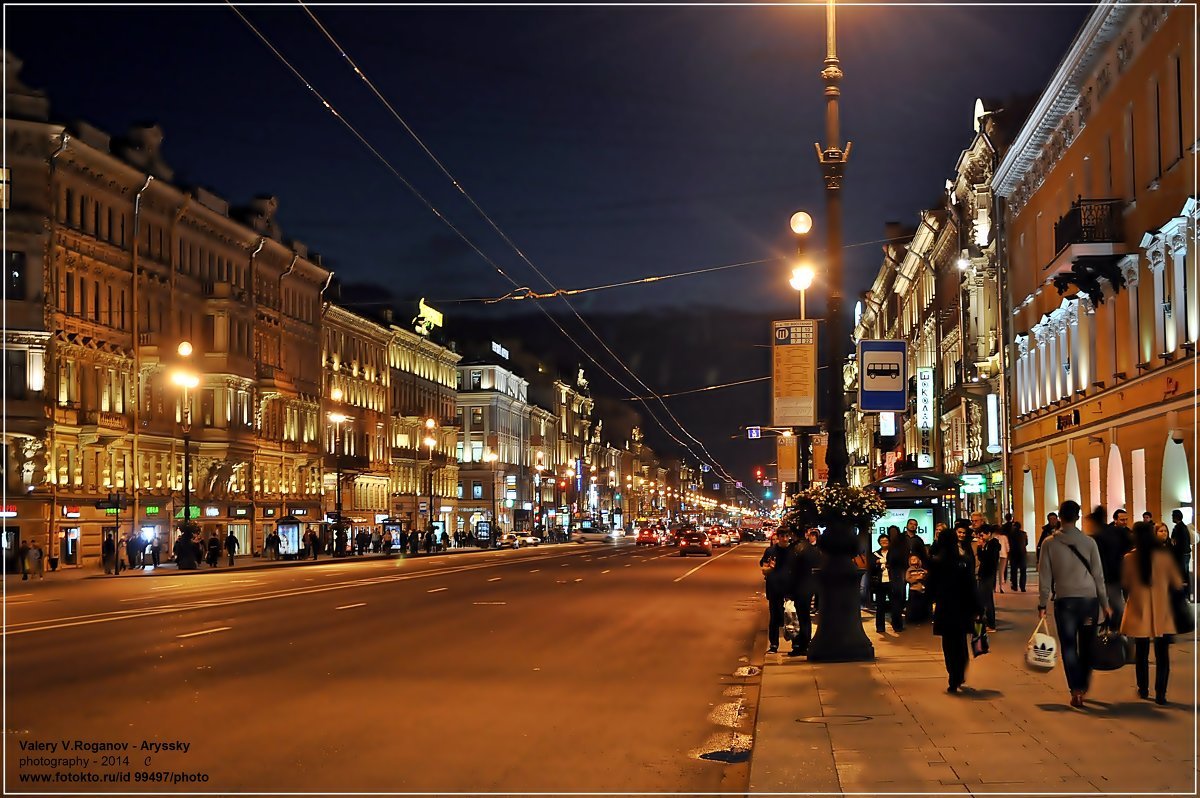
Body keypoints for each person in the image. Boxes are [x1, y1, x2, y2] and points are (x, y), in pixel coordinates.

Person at [1038, 500, 1111, 708]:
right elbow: (1098, 576)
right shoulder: (1089, 543)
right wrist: (1105, 604)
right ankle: (1084, 685)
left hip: (1065, 601)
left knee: (1069, 646)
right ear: (1077, 517)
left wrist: (1042, 604)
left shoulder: (1049, 543)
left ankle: (1076, 690)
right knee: (1087, 646)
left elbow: (1045, 578)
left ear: (1059, 517)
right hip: (1089, 601)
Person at [1121, 521, 1184, 704]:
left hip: (1138, 609)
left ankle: (1143, 689)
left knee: (1141, 652)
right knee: (1162, 654)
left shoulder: (1129, 558)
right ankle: (1161, 693)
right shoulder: (1164, 556)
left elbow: (1125, 583)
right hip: (1162, 609)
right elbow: (1177, 583)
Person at [928, 526, 983, 693]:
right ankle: (959, 671)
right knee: (960, 641)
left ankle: (953, 674)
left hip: (945, 607)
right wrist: (978, 608)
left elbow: (931, 587)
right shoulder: (964, 561)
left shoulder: (937, 562)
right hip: (962, 606)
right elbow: (971, 586)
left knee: (948, 643)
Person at [1093, 508, 1132, 627]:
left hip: (1126, 575)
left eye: (1126, 519)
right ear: (1115, 520)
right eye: (1122, 520)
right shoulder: (1107, 534)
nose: (1124, 522)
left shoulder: (1129, 534)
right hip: (1112, 576)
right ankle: (1116, 627)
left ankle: (1123, 626)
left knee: (1128, 603)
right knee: (1117, 604)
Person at [787, 526, 821, 656]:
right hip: (810, 585)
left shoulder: (796, 549)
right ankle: (805, 642)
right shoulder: (812, 549)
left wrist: (789, 591)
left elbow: (792, 571)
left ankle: (802, 644)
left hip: (799, 586)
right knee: (805, 616)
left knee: (800, 617)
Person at [759, 529, 793, 654]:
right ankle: (774, 644)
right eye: (782, 536)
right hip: (774, 588)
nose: (785, 539)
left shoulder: (793, 551)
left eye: (786, 536)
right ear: (778, 537)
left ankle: (795, 643)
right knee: (774, 617)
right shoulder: (771, 551)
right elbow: (764, 569)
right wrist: (771, 568)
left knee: (791, 616)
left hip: (790, 589)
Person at [870, 531, 905, 634]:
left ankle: (897, 626)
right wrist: (878, 562)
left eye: (886, 540)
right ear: (879, 542)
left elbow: (897, 563)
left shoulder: (895, 552)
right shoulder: (875, 554)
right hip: (880, 582)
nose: (884, 542)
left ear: (889, 542)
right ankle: (880, 627)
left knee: (895, 605)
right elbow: (872, 566)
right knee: (880, 605)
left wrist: (885, 562)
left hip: (892, 581)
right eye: (882, 540)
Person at [976, 525, 1001, 629]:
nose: (981, 537)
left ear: (989, 534)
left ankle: (991, 623)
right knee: (984, 598)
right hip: (985, 574)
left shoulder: (993, 545)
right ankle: (986, 621)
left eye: (982, 535)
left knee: (987, 599)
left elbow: (986, 559)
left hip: (988, 574)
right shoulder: (988, 544)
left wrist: (980, 548)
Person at [1169, 509, 1191, 598]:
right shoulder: (1184, 527)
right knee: (1185, 573)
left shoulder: (1178, 528)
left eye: (1172, 516)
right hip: (1187, 553)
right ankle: (1187, 594)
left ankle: (1184, 594)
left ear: (1175, 517)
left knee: (1182, 574)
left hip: (1181, 554)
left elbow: (1176, 543)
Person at [904, 553, 930, 624]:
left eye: (915, 559)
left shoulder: (921, 569)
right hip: (913, 589)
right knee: (913, 605)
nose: (913, 560)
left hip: (921, 589)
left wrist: (925, 575)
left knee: (920, 605)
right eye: (912, 559)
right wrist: (916, 579)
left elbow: (925, 577)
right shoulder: (909, 570)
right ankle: (912, 620)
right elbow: (907, 578)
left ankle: (920, 619)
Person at [1009, 520, 1028, 592]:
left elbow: (1009, 543)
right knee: (1023, 570)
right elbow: (1026, 543)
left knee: (1014, 570)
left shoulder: (1011, 534)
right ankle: (1022, 587)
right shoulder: (1024, 534)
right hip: (1022, 553)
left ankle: (1015, 586)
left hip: (1013, 553)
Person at [994, 523, 1009, 594]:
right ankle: (1001, 587)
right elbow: (1007, 547)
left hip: (995, 555)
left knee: (994, 571)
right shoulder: (1004, 537)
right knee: (1001, 572)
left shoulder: (993, 537)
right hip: (1003, 555)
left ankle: (993, 587)